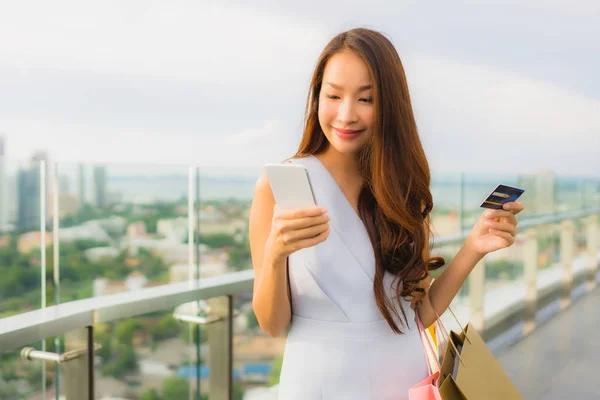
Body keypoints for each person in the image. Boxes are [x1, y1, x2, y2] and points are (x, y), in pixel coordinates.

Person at [248, 27, 524, 399]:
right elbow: (272, 324)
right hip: (316, 385)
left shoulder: (401, 188)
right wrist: (274, 253)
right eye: (333, 95)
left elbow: (419, 315)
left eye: (366, 99)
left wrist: (474, 246)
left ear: (390, 105)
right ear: (317, 98)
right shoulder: (279, 185)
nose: (346, 114)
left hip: (403, 381)